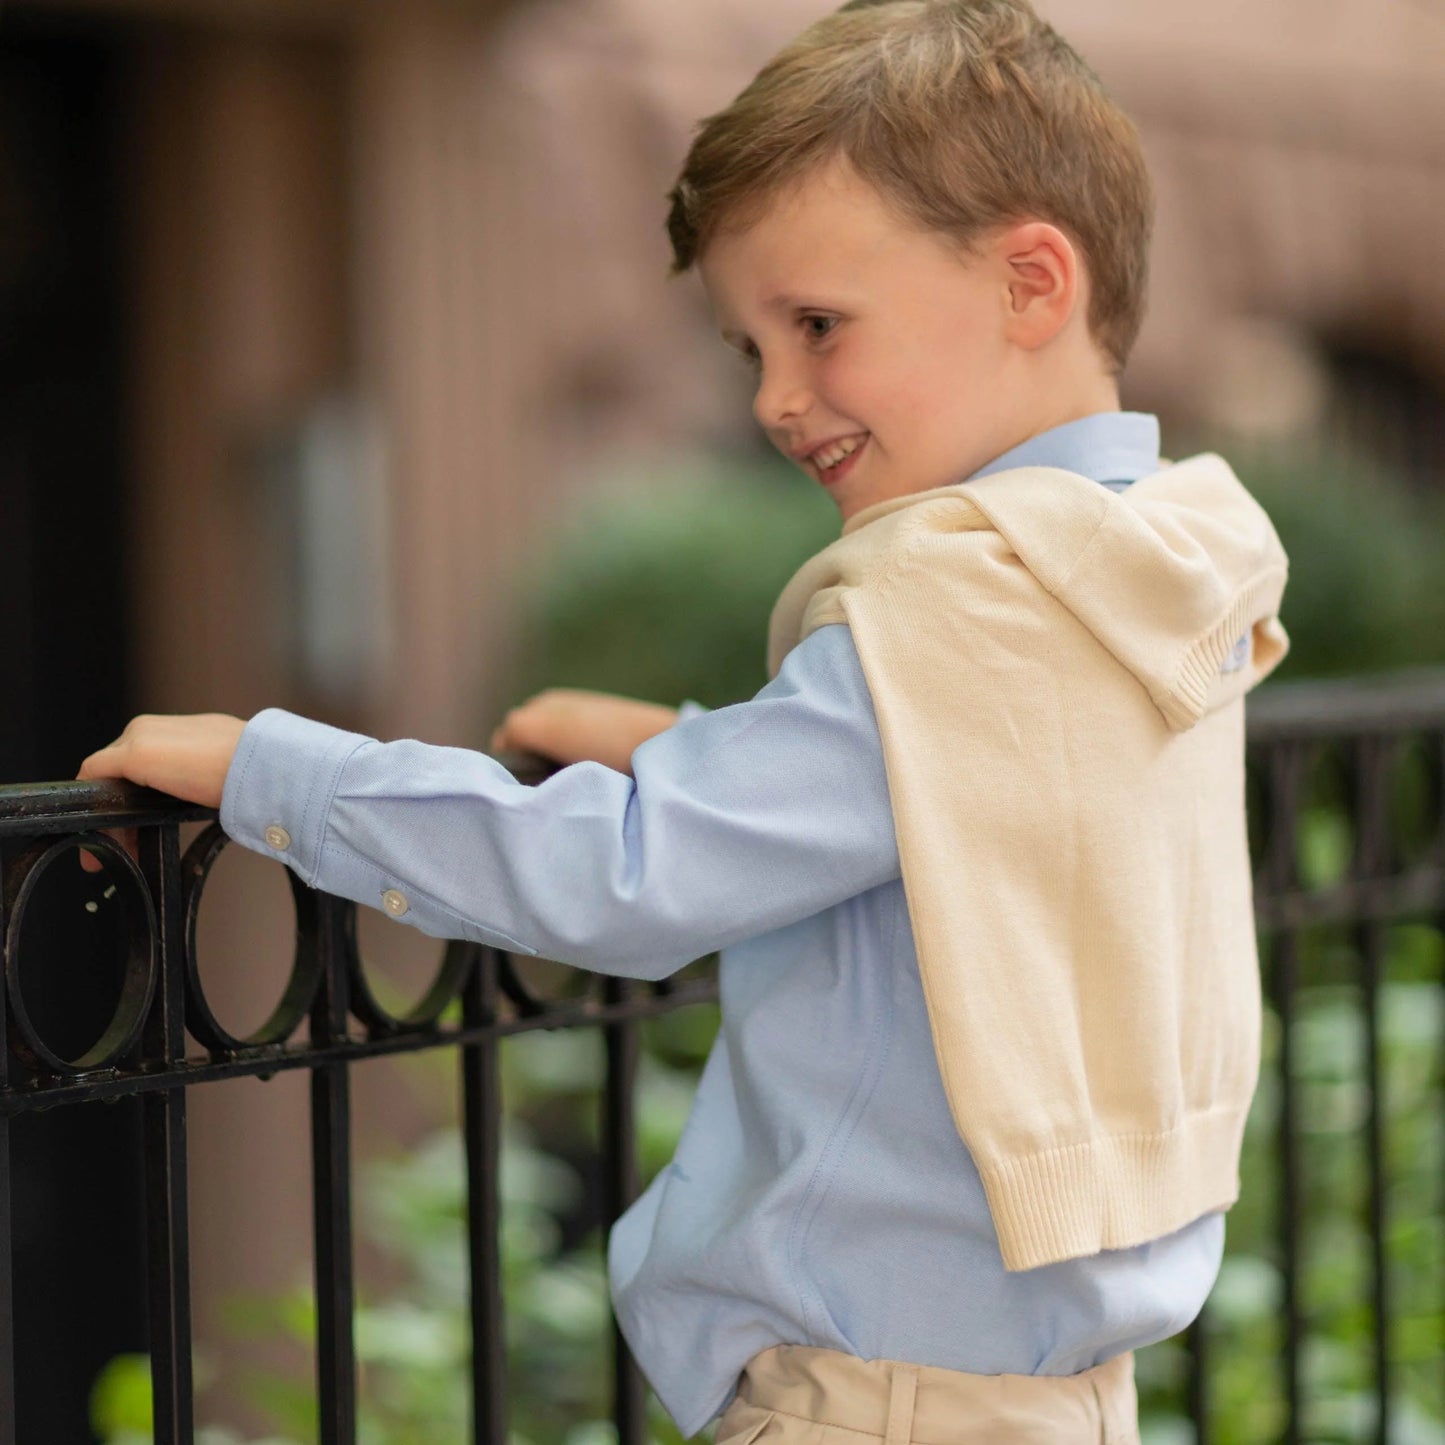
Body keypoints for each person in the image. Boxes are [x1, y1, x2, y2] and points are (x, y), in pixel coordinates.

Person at [79, 0, 1291, 1439]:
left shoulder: (958, 601)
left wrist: (269, 769)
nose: (778, 398)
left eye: (818, 325)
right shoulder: (1137, 564)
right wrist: (697, 747)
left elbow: (625, 875)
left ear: (1032, 281)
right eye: (747, 349)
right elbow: (988, 812)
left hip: (874, 1406)